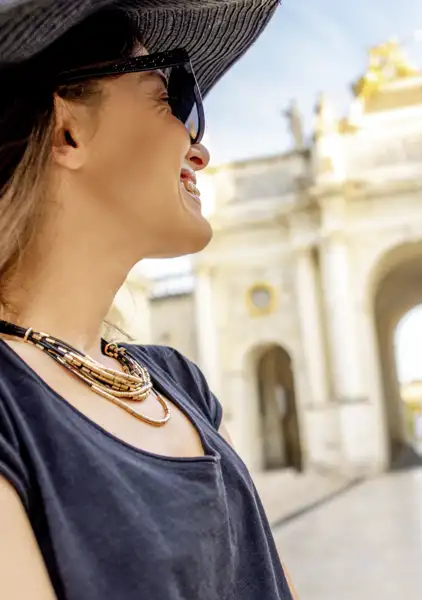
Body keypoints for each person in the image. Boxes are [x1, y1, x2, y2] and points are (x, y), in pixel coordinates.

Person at [0, 2, 299, 598]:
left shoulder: (178, 384)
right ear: (69, 129)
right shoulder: (11, 413)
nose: (199, 144)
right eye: (175, 94)